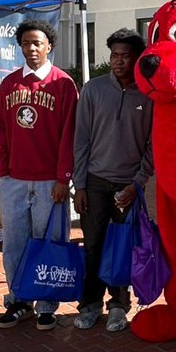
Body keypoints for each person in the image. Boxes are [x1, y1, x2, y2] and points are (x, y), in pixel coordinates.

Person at [0, 19, 79, 331]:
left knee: (50, 242)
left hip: (48, 183)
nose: (31, 48)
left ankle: (46, 305)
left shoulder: (63, 85)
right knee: (14, 244)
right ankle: (18, 301)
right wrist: (3, 172)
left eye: (37, 43)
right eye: (26, 43)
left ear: (49, 46)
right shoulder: (9, 85)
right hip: (14, 180)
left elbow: (70, 136)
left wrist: (62, 178)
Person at [72, 29, 153, 333]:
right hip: (95, 181)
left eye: (125, 56)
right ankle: (89, 304)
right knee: (92, 244)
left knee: (122, 247)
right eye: (114, 55)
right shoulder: (92, 90)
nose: (118, 61)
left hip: (127, 186)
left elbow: (152, 145)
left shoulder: (148, 95)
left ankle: (119, 305)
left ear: (136, 59)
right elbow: (81, 140)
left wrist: (137, 184)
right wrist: (79, 185)